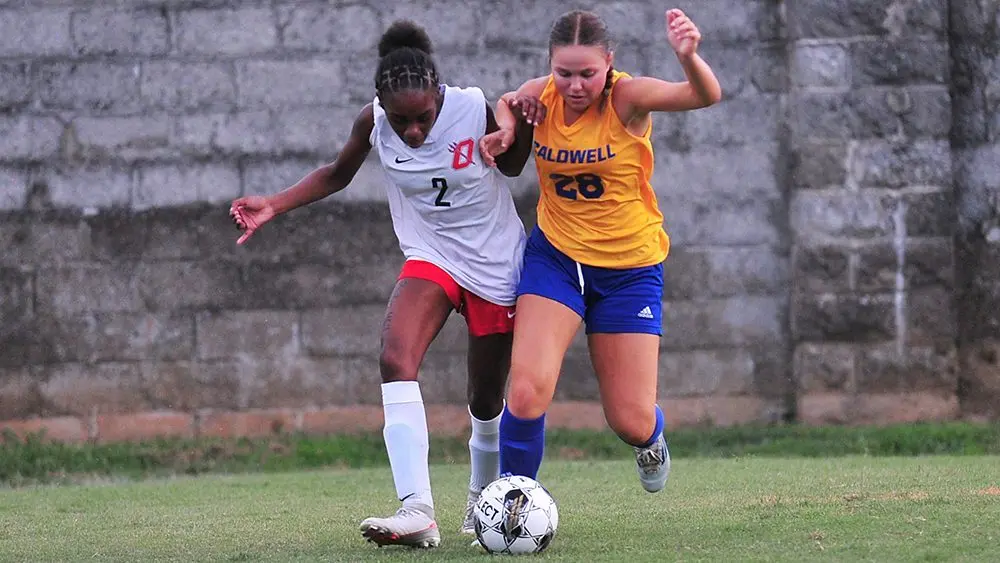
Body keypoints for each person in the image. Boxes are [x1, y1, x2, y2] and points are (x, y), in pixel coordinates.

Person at [229, 20, 539, 548]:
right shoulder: (373, 121)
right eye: (402, 121)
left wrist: (519, 130)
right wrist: (273, 205)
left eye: (422, 118)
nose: (413, 131)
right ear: (380, 104)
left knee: (486, 398)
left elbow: (511, 166)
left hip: (494, 264)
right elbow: (336, 173)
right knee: (396, 357)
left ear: (439, 95)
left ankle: (481, 499)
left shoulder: (470, 106)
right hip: (431, 255)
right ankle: (416, 508)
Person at [479, 8, 722, 494]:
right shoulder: (541, 95)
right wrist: (507, 128)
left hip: (629, 269)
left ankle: (651, 439)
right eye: (563, 72)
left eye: (587, 73)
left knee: (629, 420)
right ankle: (511, 501)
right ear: (551, 65)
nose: (574, 85)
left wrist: (688, 57)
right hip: (556, 260)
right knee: (526, 391)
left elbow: (703, 94)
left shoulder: (626, 98)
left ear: (608, 63)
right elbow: (507, 100)